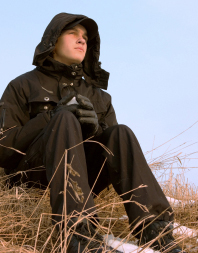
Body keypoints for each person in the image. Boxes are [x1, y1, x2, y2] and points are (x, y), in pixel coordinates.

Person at [0, 13, 185, 253]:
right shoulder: (22, 85)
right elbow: (4, 149)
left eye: (85, 37)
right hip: (34, 175)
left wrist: (95, 129)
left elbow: (114, 155)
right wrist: (51, 117)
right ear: (53, 40)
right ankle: (79, 233)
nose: (81, 41)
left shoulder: (100, 97)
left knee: (121, 132)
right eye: (73, 34)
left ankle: (156, 232)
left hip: (83, 179)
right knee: (65, 117)